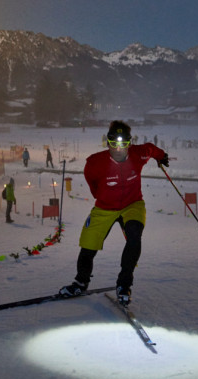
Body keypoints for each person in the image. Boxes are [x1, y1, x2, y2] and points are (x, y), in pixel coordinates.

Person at [59, 120, 169, 305]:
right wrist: (104, 198)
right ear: (107, 142)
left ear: (129, 143)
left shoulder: (138, 154)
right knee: (88, 245)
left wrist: (162, 156)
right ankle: (80, 282)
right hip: (105, 207)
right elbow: (93, 185)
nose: (118, 149)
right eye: (113, 144)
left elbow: (151, 149)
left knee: (134, 237)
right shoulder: (94, 163)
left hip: (132, 204)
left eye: (123, 144)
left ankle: (124, 284)